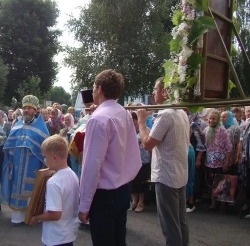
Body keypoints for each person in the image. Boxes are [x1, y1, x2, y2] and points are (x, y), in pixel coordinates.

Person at [79, 70, 141, 246]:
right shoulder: (124, 113)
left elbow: (92, 165)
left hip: (104, 195)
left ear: (99, 89)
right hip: (122, 190)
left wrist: (84, 205)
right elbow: (132, 154)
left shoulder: (98, 119)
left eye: (93, 86)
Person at [137, 77, 190, 246]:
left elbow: (147, 144)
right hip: (179, 175)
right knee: (180, 222)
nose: (153, 92)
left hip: (166, 177)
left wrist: (141, 120)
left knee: (170, 226)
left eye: (155, 89)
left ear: (165, 91)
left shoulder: (166, 115)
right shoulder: (181, 113)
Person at [2, 95, 49, 224]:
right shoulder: (17, 125)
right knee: (17, 187)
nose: (27, 110)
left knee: (31, 187)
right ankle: (18, 216)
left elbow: (45, 149)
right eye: (25, 108)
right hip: (17, 163)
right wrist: (10, 161)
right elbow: (10, 145)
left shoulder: (41, 128)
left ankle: (32, 215)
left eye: (29, 108)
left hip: (33, 165)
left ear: (35, 110)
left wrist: (43, 166)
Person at [29, 135, 79, 246]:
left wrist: (36, 217)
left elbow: (55, 214)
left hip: (55, 237)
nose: (45, 160)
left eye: (45, 157)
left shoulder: (54, 182)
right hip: (68, 233)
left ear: (55, 157)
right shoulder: (72, 174)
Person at [198, 109, 232, 213]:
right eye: (210, 118)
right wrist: (200, 159)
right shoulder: (206, 130)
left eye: (214, 119)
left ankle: (222, 205)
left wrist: (227, 162)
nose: (211, 121)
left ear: (217, 120)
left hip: (221, 162)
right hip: (209, 162)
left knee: (222, 184)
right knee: (212, 184)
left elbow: (229, 148)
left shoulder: (222, 131)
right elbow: (202, 146)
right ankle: (213, 204)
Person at [129, 111, 151, 213]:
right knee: (133, 181)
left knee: (141, 181)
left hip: (144, 160)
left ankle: (141, 202)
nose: (133, 123)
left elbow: (150, 148)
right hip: (132, 160)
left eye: (134, 121)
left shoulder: (146, 131)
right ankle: (134, 200)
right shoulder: (128, 132)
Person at [242, 106, 250, 219]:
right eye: (247, 111)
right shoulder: (248, 125)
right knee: (249, 185)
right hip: (248, 162)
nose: (249, 113)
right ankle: (249, 206)